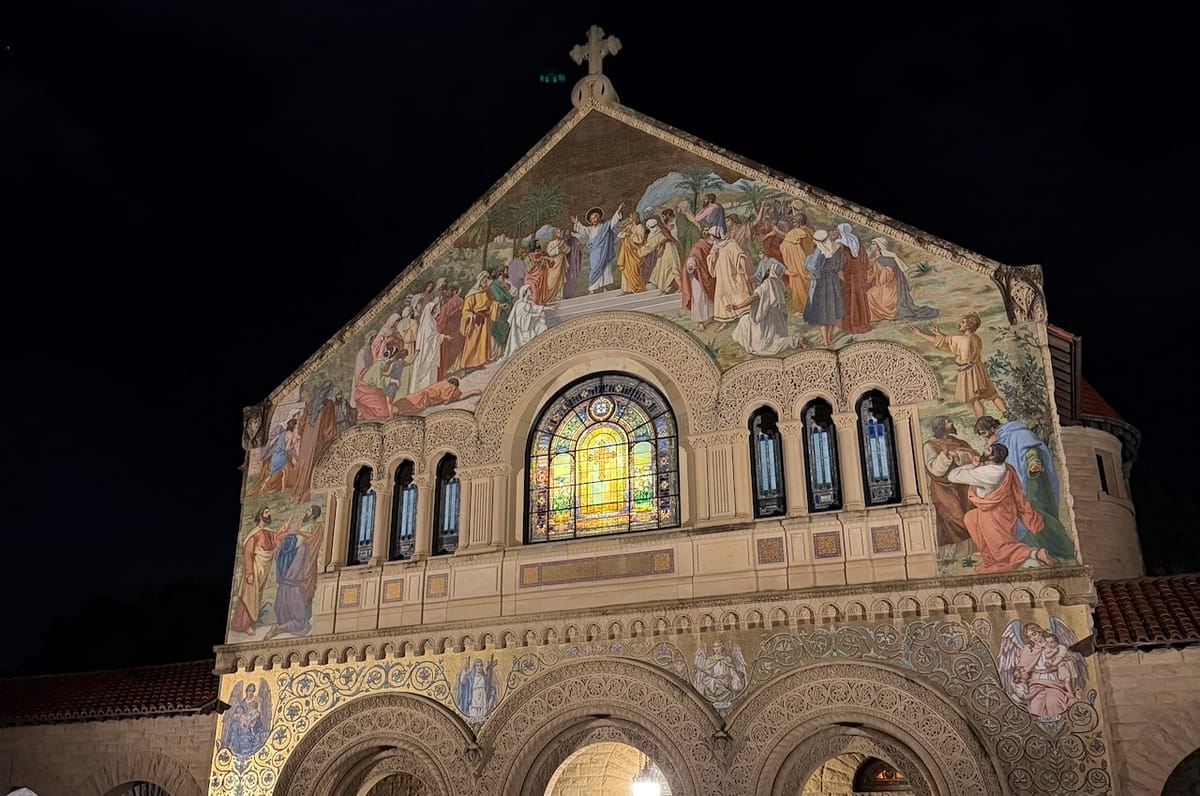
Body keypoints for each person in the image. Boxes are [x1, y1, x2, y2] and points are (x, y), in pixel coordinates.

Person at [975, 415, 1075, 561]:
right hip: (1017, 482)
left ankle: (1063, 548)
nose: (984, 437)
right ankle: (1035, 548)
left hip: (1031, 480)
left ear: (991, 427)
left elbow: (1031, 449)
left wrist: (1033, 463)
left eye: (984, 433)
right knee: (1021, 514)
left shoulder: (1017, 433)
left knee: (1036, 512)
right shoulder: (999, 439)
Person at [947, 443, 1055, 573]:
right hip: (1005, 510)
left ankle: (1035, 553)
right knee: (970, 518)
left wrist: (973, 466)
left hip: (994, 514)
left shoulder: (987, 473)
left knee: (1001, 548)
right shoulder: (1003, 467)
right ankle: (989, 554)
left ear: (992, 456)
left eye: (987, 450)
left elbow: (952, 476)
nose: (983, 451)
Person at [908, 312, 1009, 418]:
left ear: (969, 326)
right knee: (992, 395)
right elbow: (949, 341)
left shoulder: (962, 339)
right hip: (979, 369)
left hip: (968, 371)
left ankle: (981, 421)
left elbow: (941, 342)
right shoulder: (976, 338)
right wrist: (939, 334)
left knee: (974, 399)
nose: (960, 324)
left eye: (963, 322)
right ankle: (1006, 413)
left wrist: (919, 333)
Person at [921, 415, 978, 561]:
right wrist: (946, 455)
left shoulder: (958, 441)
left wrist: (958, 455)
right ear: (940, 426)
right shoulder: (929, 446)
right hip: (943, 489)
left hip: (962, 486)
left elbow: (973, 455)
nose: (951, 423)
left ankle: (974, 550)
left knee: (970, 514)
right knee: (953, 519)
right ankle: (956, 555)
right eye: (947, 422)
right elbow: (934, 469)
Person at [263, 505, 324, 641]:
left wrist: (298, 532)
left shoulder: (315, 526)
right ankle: (280, 627)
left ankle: (278, 629)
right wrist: (290, 532)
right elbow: (284, 538)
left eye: (309, 510)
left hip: (299, 558)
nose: (307, 512)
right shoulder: (304, 526)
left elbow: (311, 538)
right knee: (287, 603)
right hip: (292, 557)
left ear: (313, 514)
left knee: (302, 623)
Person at [727, 260, 800, 355]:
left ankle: (795, 341)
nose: (767, 271)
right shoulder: (780, 284)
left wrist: (737, 307)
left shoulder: (766, 284)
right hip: (778, 321)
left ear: (770, 272)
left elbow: (754, 297)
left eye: (769, 270)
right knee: (746, 321)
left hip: (766, 320)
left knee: (745, 321)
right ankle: (794, 341)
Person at [230, 509, 283, 635]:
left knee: (256, 597)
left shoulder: (269, 532)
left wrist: (285, 530)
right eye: (266, 512)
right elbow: (248, 554)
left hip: (262, 571)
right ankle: (244, 624)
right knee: (249, 596)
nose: (269, 514)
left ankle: (250, 622)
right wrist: (249, 574)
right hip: (253, 570)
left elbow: (276, 540)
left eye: (269, 512)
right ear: (260, 516)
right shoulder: (254, 533)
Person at [865, 237, 938, 321]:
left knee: (869, 295)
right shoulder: (876, 260)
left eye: (873, 244)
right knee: (868, 293)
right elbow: (872, 275)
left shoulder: (888, 260)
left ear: (879, 246)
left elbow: (883, 279)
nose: (871, 246)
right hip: (883, 287)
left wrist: (876, 271)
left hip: (890, 290)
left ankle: (882, 314)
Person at [803, 229, 846, 346]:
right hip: (833, 281)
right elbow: (841, 264)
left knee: (821, 311)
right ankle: (829, 337)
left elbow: (813, 267)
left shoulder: (819, 251)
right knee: (831, 309)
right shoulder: (837, 248)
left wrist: (807, 261)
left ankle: (825, 340)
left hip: (821, 283)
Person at [707, 226, 752, 330]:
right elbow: (710, 259)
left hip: (732, 275)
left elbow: (740, 257)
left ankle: (744, 317)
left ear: (717, 235)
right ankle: (724, 321)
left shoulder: (731, 244)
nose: (711, 237)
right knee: (720, 296)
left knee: (738, 293)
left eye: (712, 235)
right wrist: (714, 255)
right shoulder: (715, 247)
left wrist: (745, 272)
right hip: (721, 278)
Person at [572, 204, 624, 294]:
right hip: (595, 253)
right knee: (594, 269)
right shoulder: (590, 229)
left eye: (595, 217)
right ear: (590, 221)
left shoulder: (605, 227)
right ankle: (593, 287)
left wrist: (618, 211)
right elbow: (582, 229)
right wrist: (577, 223)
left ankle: (603, 286)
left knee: (605, 269)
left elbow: (613, 221)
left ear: (599, 217)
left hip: (604, 251)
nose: (594, 219)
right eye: (592, 218)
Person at [834, 222, 871, 334]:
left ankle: (851, 324)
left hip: (847, 276)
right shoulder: (856, 242)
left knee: (849, 299)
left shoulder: (840, 244)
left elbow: (838, 263)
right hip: (857, 275)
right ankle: (862, 321)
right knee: (858, 297)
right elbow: (864, 260)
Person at [458, 272, 497, 372]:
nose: (486, 281)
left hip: (484, 319)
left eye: (487, 279)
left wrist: (499, 306)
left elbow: (492, 302)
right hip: (475, 321)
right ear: (480, 280)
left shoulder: (487, 291)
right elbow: (466, 310)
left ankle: (479, 362)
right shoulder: (472, 293)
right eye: (484, 279)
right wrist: (471, 315)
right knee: (472, 342)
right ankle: (465, 366)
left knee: (482, 341)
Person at [391, 376, 482, 416]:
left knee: (408, 400)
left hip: (423, 394)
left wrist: (474, 392)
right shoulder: (452, 388)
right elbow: (460, 396)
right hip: (426, 397)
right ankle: (396, 409)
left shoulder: (443, 383)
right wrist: (473, 391)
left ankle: (395, 409)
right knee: (412, 405)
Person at [503, 284, 550, 358]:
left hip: (528, 325)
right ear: (525, 292)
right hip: (522, 330)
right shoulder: (520, 304)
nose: (531, 291)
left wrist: (550, 308)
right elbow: (522, 317)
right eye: (529, 290)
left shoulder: (529, 303)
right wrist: (538, 315)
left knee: (542, 327)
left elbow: (537, 308)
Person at [680, 235, 716, 330]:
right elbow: (691, 259)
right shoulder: (698, 247)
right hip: (697, 277)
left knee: (708, 298)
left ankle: (711, 315)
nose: (713, 240)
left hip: (707, 275)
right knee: (699, 298)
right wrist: (692, 266)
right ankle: (701, 322)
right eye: (711, 237)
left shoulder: (711, 246)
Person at [641, 216, 681, 293]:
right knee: (663, 270)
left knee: (670, 269)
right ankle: (665, 288)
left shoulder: (658, 234)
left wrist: (639, 253)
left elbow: (650, 246)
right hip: (666, 251)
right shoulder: (661, 231)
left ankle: (680, 287)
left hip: (668, 252)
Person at [615, 210, 647, 293]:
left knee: (634, 270)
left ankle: (636, 287)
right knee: (626, 269)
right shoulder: (630, 226)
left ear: (638, 218)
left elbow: (640, 240)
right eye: (632, 218)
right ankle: (626, 289)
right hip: (627, 252)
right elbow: (619, 234)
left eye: (635, 218)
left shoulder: (640, 227)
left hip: (634, 252)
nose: (633, 220)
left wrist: (631, 235)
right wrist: (625, 234)